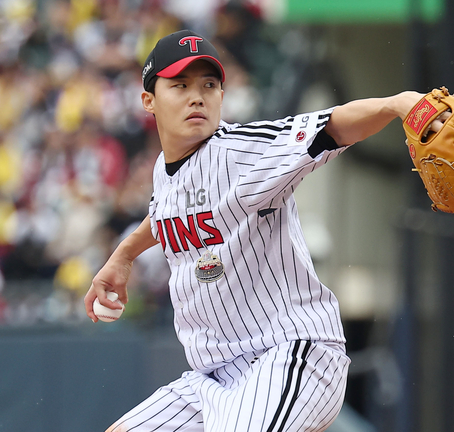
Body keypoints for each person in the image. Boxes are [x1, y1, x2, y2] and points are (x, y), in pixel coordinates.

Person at [84, 29, 424, 432]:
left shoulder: (241, 151)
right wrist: (123, 255)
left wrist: (399, 103)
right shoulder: (166, 170)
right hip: (214, 378)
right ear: (149, 101)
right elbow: (166, 212)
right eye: (180, 85)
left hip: (290, 354)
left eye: (209, 85)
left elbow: (331, 127)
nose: (197, 95)